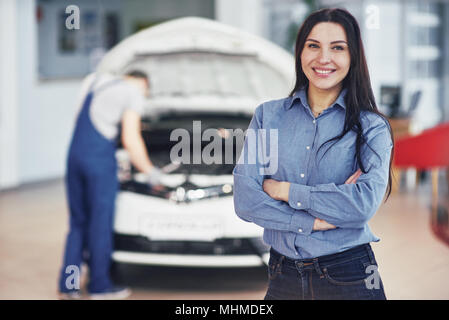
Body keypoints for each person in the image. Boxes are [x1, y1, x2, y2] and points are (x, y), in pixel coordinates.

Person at [233, 8, 393, 300]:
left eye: (338, 48)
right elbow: (246, 201)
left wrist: (283, 190)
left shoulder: (372, 127)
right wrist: (314, 220)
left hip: (351, 274)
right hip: (282, 274)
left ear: (353, 57)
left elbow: (362, 206)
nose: (323, 58)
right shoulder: (268, 116)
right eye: (313, 46)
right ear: (300, 52)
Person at [58, 70, 164, 299]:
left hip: (74, 156)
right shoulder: (133, 93)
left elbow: (80, 118)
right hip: (99, 162)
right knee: (100, 224)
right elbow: (130, 138)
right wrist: (151, 172)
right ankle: (100, 286)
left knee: (77, 223)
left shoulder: (94, 80)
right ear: (143, 86)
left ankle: (69, 285)